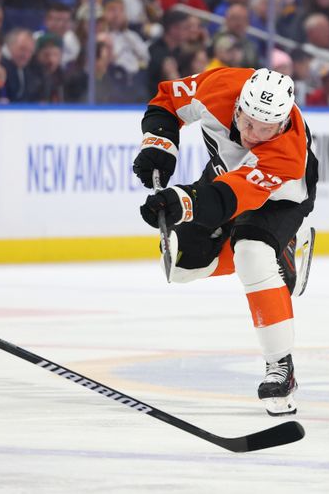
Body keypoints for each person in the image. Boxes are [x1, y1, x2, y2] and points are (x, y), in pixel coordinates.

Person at [133, 67, 317, 416]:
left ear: (282, 124)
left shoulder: (285, 153)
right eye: (248, 123)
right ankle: (282, 256)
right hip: (226, 176)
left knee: (251, 251)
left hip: (280, 197)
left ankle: (281, 367)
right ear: (238, 106)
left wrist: (181, 201)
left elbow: (228, 199)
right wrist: (159, 145)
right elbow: (168, 100)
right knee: (181, 265)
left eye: (266, 130)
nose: (253, 135)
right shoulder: (218, 86)